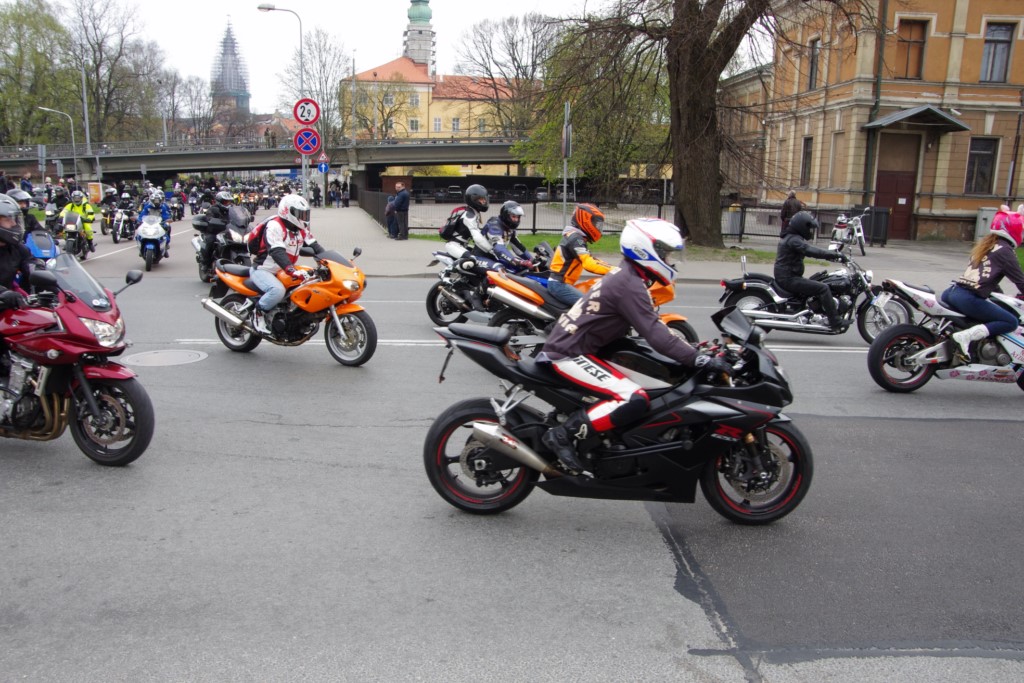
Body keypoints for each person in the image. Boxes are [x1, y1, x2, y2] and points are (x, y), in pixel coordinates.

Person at [537, 218, 733, 472]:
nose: (669, 260)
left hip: (578, 348)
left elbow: (653, 325)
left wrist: (693, 348)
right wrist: (698, 359)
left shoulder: (628, 276)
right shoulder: (629, 284)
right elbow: (656, 335)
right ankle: (563, 434)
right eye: (665, 253)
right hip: (567, 354)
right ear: (645, 250)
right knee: (634, 398)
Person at [942, 209, 1024, 356]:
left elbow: (988, 278)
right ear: (1014, 229)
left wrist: (1001, 297)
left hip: (952, 292)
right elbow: (1021, 282)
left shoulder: (987, 245)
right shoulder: (1005, 251)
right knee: (1011, 322)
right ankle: (964, 337)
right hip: (968, 298)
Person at [248, 194, 325, 335]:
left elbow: (315, 246)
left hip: (282, 270)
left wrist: (330, 261)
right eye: (300, 214)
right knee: (277, 291)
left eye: (305, 214)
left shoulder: (301, 229)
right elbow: (277, 251)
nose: (303, 217)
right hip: (264, 270)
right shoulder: (275, 226)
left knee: (308, 285)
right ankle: (258, 313)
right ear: (287, 212)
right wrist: (291, 270)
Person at [773, 210, 848, 328]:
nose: (810, 231)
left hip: (789, 276)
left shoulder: (792, 237)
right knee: (823, 288)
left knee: (820, 280)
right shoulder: (794, 240)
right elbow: (811, 250)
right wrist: (834, 254)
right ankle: (835, 321)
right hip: (788, 278)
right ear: (801, 226)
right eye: (808, 228)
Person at [547, 203, 613, 307]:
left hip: (561, 283)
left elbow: (591, 259)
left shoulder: (576, 237)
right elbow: (588, 263)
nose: (598, 227)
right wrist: (614, 271)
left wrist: (613, 268)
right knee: (590, 306)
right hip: (559, 285)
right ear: (586, 220)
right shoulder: (575, 239)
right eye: (596, 223)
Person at [0, 194, 33, 314]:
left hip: (7, 308)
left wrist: (39, 270)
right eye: (8, 219)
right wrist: (3, 292)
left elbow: (30, 263)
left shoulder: (17, 248)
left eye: (14, 218)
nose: (14, 223)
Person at [481, 200, 533, 272]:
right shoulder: (494, 225)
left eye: (518, 217)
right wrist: (515, 261)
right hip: (482, 256)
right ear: (506, 215)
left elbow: (518, 246)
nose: (516, 220)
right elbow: (499, 248)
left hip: (495, 257)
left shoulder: (509, 228)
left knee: (521, 268)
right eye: (513, 216)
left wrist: (531, 259)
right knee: (499, 269)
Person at [196, 191, 235, 277]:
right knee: (210, 241)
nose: (228, 203)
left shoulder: (232, 209)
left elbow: (238, 217)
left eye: (229, 201)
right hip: (215, 231)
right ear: (219, 201)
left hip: (228, 231)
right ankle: (205, 264)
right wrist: (212, 221)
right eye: (225, 201)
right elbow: (209, 218)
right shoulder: (213, 209)